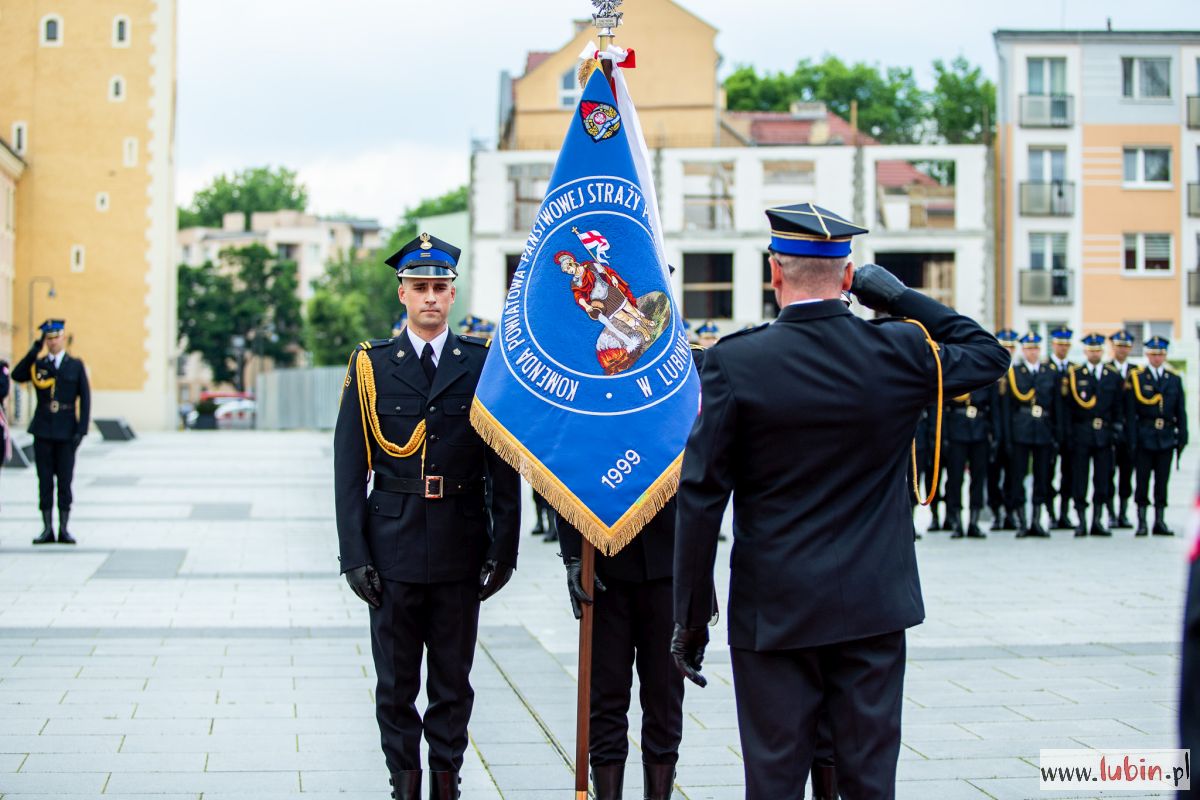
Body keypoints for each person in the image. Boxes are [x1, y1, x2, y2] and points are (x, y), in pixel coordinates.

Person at [670, 203, 1008, 799]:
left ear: (775, 273)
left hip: (774, 611)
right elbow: (987, 353)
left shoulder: (735, 362)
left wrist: (691, 617)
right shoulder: (898, 350)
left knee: (774, 779)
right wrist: (901, 297)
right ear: (849, 277)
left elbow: (700, 498)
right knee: (868, 780)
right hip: (873, 606)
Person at [333, 233, 521, 800]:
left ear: (453, 293)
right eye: (420, 288)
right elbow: (348, 469)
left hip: (460, 544)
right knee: (395, 683)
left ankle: (446, 780)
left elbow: (502, 465)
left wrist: (504, 548)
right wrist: (354, 556)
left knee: (452, 682)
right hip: (390, 545)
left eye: (440, 288)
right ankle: (404, 783)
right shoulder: (373, 366)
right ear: (403, 294)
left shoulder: (481, 364)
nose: (431, 298)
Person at [555, 347, 704, 800]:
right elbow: (566, 459)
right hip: (604, 558)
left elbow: (708, 474)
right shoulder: (588, 372)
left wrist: (701, 572)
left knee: (664, 699)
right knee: (606, 697)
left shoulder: (690, 367)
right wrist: (571, 553)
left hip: (669, 561)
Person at [13, 319, 90, 545]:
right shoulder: (38, 365)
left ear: (63, 338)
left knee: (65, 481)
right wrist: (34, 350)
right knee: (44, 481)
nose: (52, 342)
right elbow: (17, 375)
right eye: (48, 339)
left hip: (67, 431)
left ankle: (64, 528)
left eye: (56, 338)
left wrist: (81, 430)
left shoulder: (75, 365)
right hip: (43, 430)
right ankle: (47, 529)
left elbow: (85, 399)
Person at [1064, 334, 1124, 537]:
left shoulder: (1112, 375)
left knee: (1103, 479)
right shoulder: (1075, 374)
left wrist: (1116, 430)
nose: (1094, 353)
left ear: (1103, 351)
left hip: (1104, 435)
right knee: (1080, 478)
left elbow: (1118, 406)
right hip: (1082, 433)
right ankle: (1081, 520)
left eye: (1098, 350)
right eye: (1091, 350)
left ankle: (1097, 520)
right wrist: (1069, 434)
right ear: (1085, 351)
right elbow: (1069, 409)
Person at [1003, 332, 1062, 538]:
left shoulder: (1049, 372)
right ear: (1023, 350)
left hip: (1043, 430)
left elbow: (1057, 407)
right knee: (1018, 476)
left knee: (1042, 476)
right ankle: (1022, 520)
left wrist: (1057, 434)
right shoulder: (1015, 373)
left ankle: (1037, 519)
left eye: (1035, 348)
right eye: (1028, 348)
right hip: (1022, 429)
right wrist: (1008, 437)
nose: (1032, 352)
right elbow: (1008, 409)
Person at [1130, 336, 1187, 537]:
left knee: (1162, 481)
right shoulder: (1138, 378)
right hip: (1145, 436)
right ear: (1147, 355)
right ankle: (1142, 521)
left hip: (1165, 437)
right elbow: (1131, 412)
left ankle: (1160, 520)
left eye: (1160, 354)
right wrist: (1132, 438)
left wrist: (1182, 437)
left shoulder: (1174, 379)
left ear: (1165, 355)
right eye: (1153, 354)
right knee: (1143, 480)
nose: (1156, 358)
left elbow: (1180, 411)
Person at [943, 374, 999, 539]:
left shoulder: (986, 373)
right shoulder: (953, 373)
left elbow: (994, 408)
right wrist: (944, 436)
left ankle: (974, 522)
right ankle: (957, 522)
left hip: (980, 431)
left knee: (978, 478)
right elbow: (942, 406)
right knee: (955, 479)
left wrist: (996, 434)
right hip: (956, 431)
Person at [988, 329, 1020, 531]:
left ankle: (1011, 512)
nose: (1008, 350)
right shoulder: (990, 372)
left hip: (1014, 434)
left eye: (1011, 347)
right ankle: (996, 512)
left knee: (1013, 476)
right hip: (992, 433)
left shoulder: (1020, 374)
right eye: (1005, 347)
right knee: (992, 477)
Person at [1045, 327, 1076, 530]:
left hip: (1071, 431)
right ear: (1053, 345)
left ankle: (1064, 512)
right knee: (1047, 474)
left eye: (1066, 344)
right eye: (1059, 344)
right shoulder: (1044, 368)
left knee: (1069, 474)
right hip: (1048, 430)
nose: (1063, 348)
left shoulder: (1075, 370)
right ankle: (1051, 513)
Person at [1106, 330, 1136, 528]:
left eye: (1125, 346)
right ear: (1113, 347)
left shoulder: (1137, 372)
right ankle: (1110, 513)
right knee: (1107, 473)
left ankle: (1123, 512)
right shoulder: (1105, 369)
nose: (1122, 349)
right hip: (1109, 430)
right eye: (1119, 345)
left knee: (1127, 473)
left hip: (1130, 430)